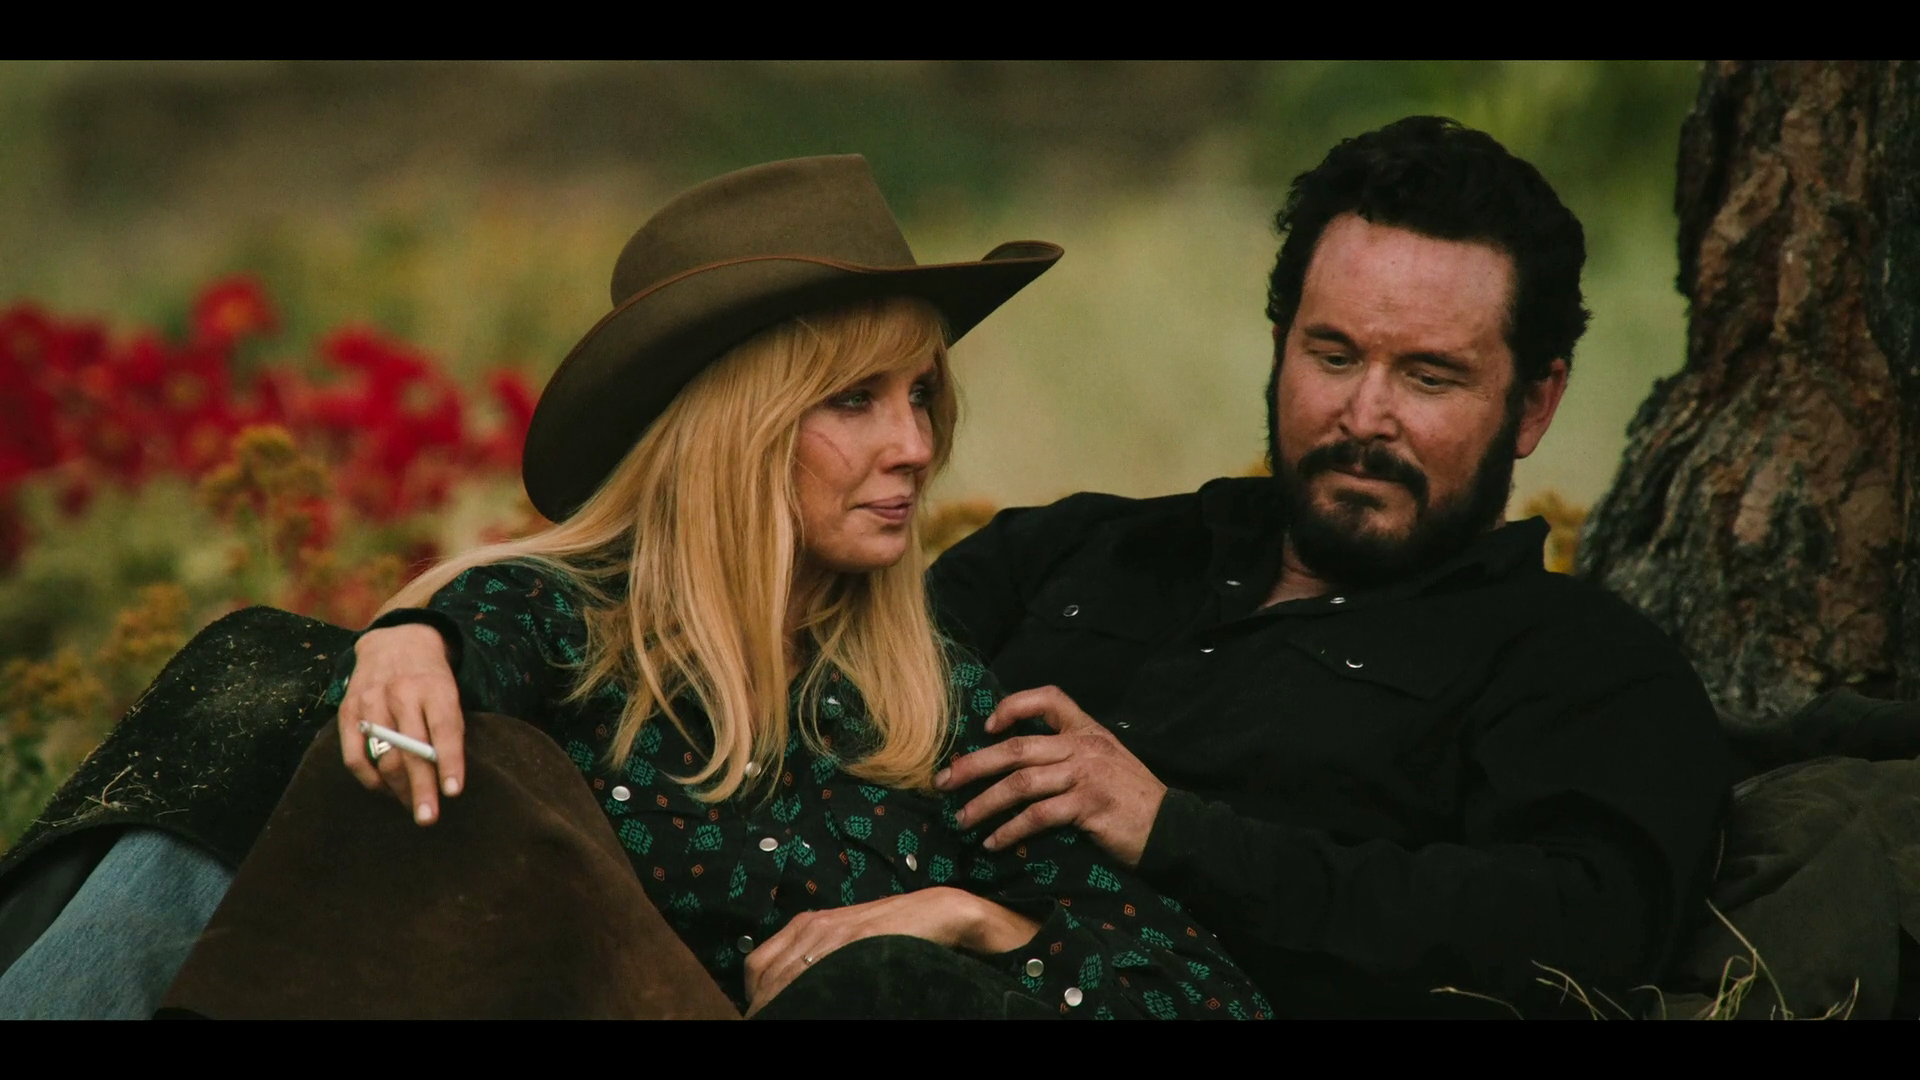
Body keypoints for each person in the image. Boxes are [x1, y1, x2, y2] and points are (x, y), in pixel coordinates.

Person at [22, 154, 1262, 1020]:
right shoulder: (570, 634)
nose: (916, 446)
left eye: (922, 398)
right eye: (855, 401)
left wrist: (964, 918)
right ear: (734, 431)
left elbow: (1203, 996)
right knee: (264, 685)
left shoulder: (931, 710)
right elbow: (492, 624)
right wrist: (403, 640)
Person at [924, 117, 1736, 1016]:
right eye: (1335, 356)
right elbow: (838, 688)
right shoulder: (1078, 549)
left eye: (1429, 377)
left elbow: (1580, 933)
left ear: (1534, 403)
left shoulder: (1580, 667)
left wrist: (1173, 832)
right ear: (1281, 350)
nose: (1365, 415)